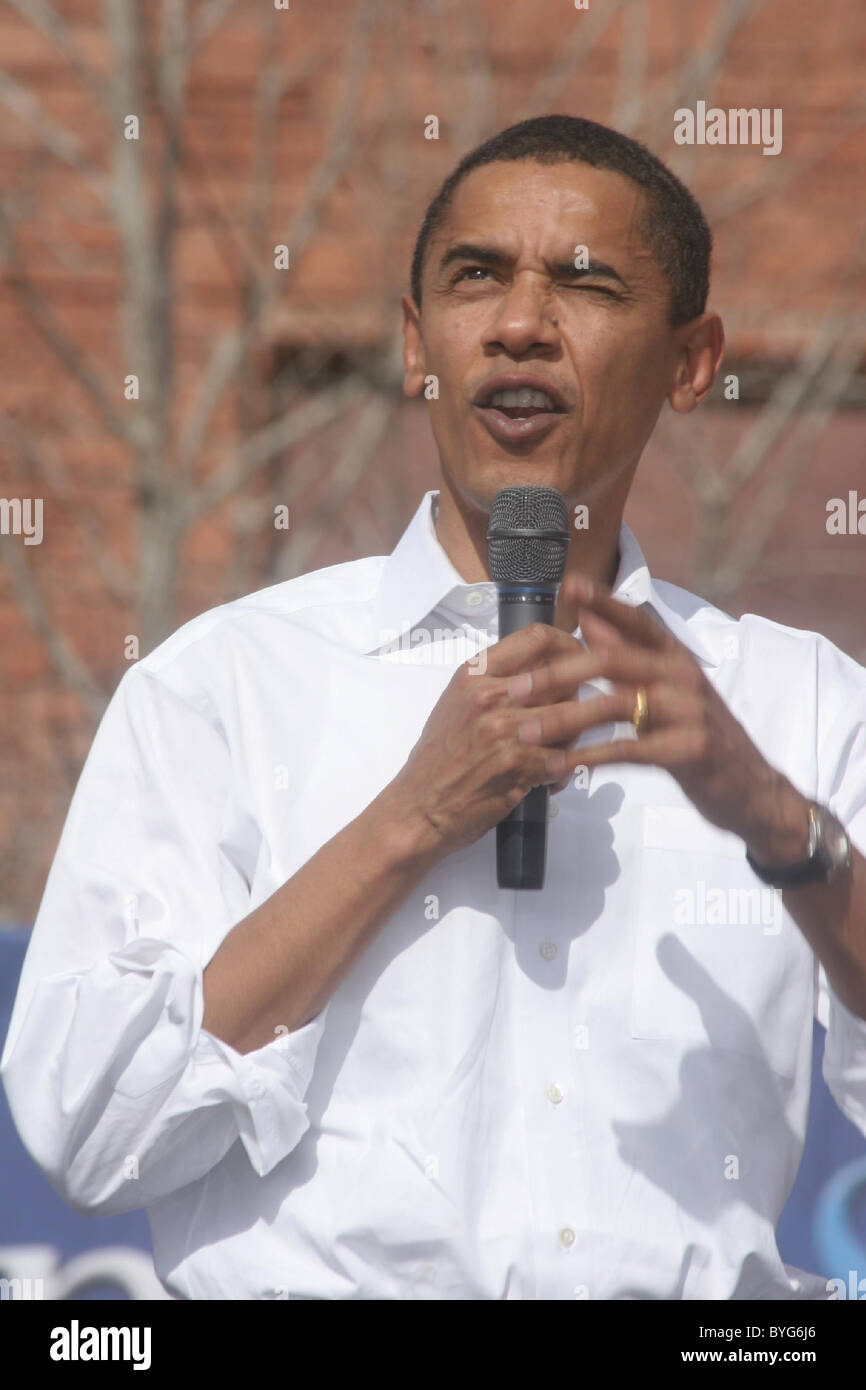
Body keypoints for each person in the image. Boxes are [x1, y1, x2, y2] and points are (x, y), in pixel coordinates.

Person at [3, 114, 865, 1301]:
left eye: (583, 283)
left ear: (690, 359)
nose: (519, 323)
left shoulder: (798, 700)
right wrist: (406, 820)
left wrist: (776, 823)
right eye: (474, 278)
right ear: (417, 340)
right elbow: (86, 1128)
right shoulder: (225, 684)